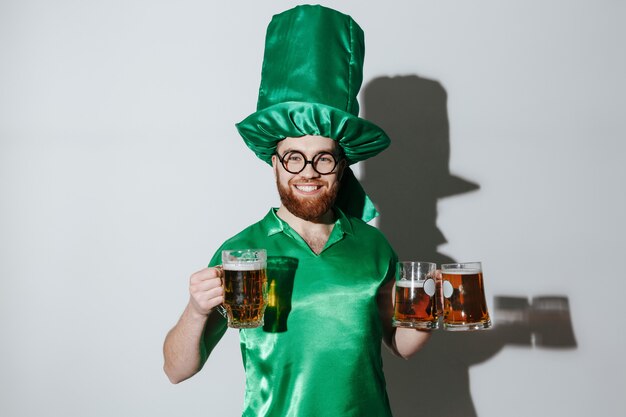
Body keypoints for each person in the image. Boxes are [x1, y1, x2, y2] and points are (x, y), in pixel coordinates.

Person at [163, 5, 431, 416]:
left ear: (342, 165)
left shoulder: (372, 244)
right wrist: (196, 309)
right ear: (274, 163)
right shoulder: (243, 253)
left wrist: (430, 306)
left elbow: (401, 345)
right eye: (293, 158)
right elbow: (177, 369)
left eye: (323, 158)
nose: (308, 173)